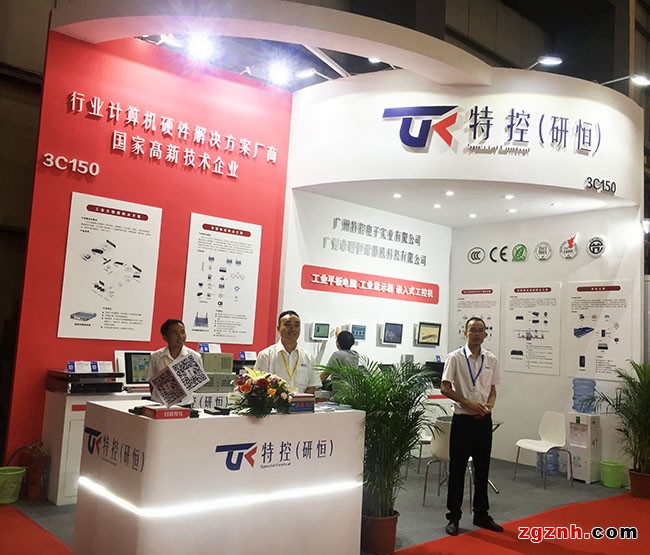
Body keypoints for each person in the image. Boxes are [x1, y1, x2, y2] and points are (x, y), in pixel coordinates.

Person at [440, 316, 503, 536]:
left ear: (486, 334)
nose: (477, 334)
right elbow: (445, 387)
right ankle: (453, 517)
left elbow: (493, 389)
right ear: (465, 333)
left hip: (483, 421)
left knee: (482, 469)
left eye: (480, 330)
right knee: (457, 471)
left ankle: (481, 514)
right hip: (463, 421)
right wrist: (467, 403)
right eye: (473, 330)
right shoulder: (455, 358)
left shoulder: (491, 359)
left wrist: (489, 406)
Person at [255, 310, 321, 394]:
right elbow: (259, 386)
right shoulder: (265, 355)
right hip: (274, 402)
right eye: (288, 325)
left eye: (296, 325)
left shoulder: (309, 357)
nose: (293, 329)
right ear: (278, 328)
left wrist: (301, 401)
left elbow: (312, 386)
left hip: (301, 402)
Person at [147, 318, 203, 406]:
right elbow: (151, 382)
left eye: (182, 332)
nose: (180, 336)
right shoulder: (155, 356)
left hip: (185, 405)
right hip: (160, 404)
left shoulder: (194, 357)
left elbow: (196, 384)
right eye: (175, 333)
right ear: (165, 337)